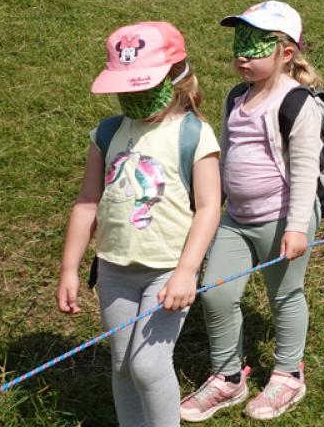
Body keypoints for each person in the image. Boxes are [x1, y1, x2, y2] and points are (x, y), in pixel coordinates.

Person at [59, 21, 222, 427]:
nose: (132, 95)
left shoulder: (194, 135)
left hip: (166, 272)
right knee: (123, 366)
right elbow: (86, 203)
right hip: (114, 271)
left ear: (176, 77)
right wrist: (69, 268)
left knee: (148, 365)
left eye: (142, 85)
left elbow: (209, 208)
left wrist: (186, 271)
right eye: (124, 86)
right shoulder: (108, 133)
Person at [182, 1, 324, 422]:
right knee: (217, 292)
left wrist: (297, 227)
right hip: (235, 219)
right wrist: (212, 205)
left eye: (255, 45)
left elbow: (304, 172)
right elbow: (226, 156)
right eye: (238, 43)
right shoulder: (234, 98)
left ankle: (288, 374)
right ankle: (228, 377)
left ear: (285, 53)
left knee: (284, 296)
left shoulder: (298, 102)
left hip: (282, 218)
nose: (242, 55)